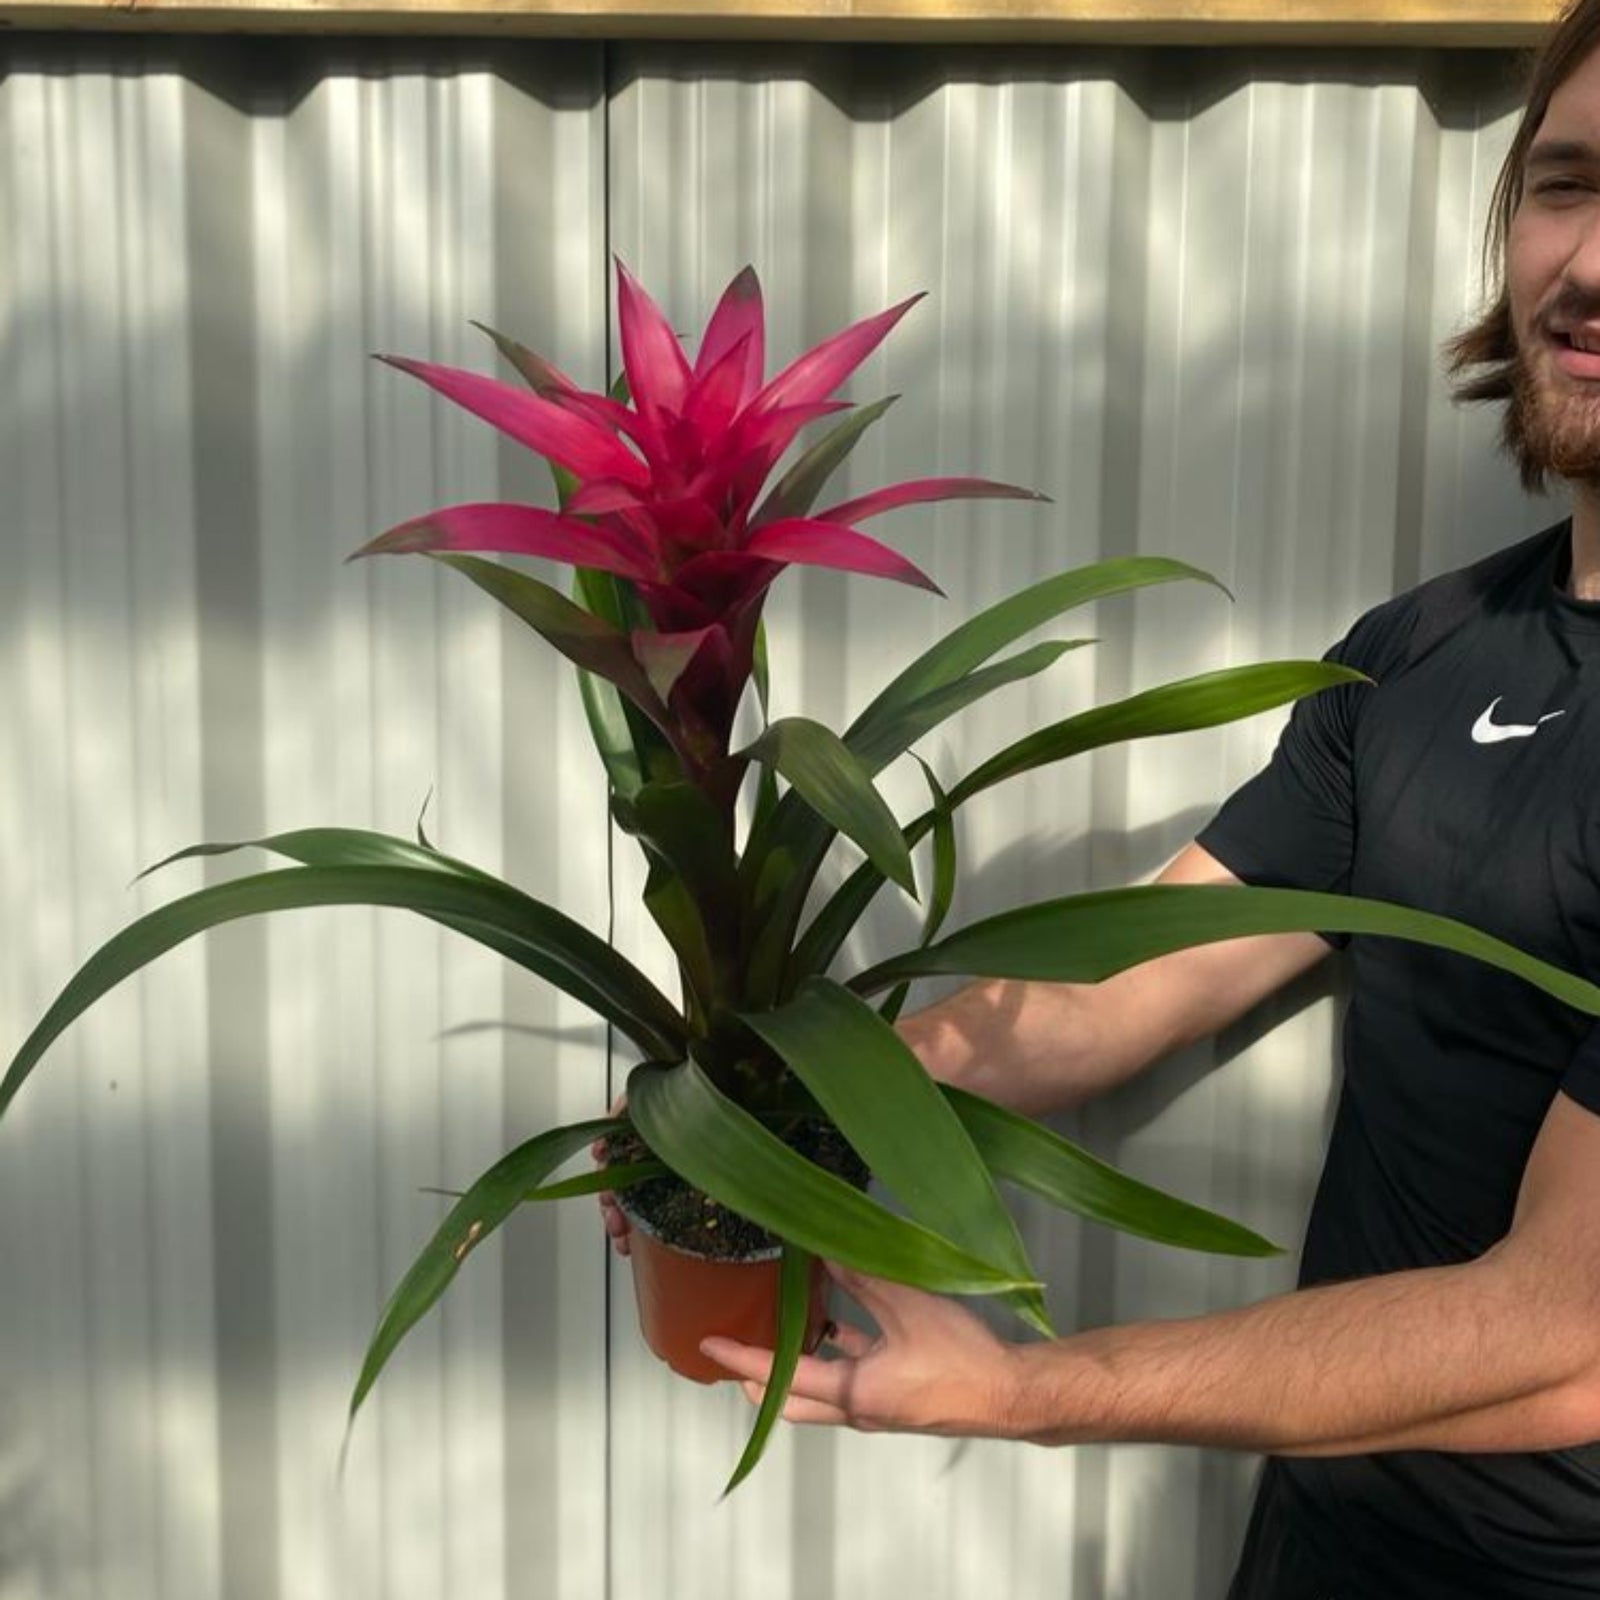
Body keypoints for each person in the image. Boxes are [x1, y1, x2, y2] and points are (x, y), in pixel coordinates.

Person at [607, 3, 1600, 1591]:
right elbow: (1141, 979)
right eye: (1568, 185)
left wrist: (1028, 1394)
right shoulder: (1425, 651)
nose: (1593, 263)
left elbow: (1563, 1339)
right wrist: (754, 1123)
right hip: (1322, 1536)